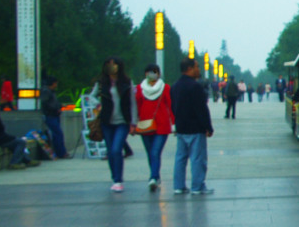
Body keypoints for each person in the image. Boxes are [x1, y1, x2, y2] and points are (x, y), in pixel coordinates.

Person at [90, 57, 137, 192]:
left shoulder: (127, 83)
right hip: (106, 121)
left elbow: (132, 103)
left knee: (117, 149)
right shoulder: (101, 83)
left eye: (114, 64)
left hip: (122, 121)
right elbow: (91, 96)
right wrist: (97, 104)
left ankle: (118, 180)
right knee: (111, 151)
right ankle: (114, 177)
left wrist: (133, 122)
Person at [172, 57, 214, 195]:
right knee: (197, 158)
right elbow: (201, 109)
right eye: (197, 67)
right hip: (195, 128)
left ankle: (179, 186)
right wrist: (208, 126)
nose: (199, 69)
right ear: (189, 69)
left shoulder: (175, 86)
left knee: (180, 158)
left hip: (181, 127)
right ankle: (197, 186)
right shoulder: (195, 87)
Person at [134, 63, 173, 191]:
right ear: (145, 74)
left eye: (154, 72)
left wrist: (174, 123)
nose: (152, 74)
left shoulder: (165, 88)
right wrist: (134, 124)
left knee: (155, 152)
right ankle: (155, 176)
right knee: (150, 153)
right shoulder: (140, 89)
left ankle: (153, 177)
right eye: (149, 72)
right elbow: (137, 106)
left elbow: (171, 106)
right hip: (145, 126)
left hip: (161, 126)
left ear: (159, 74)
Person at [0, 105, 39, 169]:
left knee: (13, 145)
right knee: (20, 142)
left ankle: (27, 160)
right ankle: (15, 163)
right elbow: (0, 128)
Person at [40, 76, 69, 159]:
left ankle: (61, 152)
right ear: (53, 83)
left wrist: (59, 106)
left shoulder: (51, 92)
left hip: (54, 115)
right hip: (50, 115)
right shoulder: (47, 92)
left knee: (57, 134)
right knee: (58, 134)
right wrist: (55, 108)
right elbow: (45, 103)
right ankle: (61, 153)